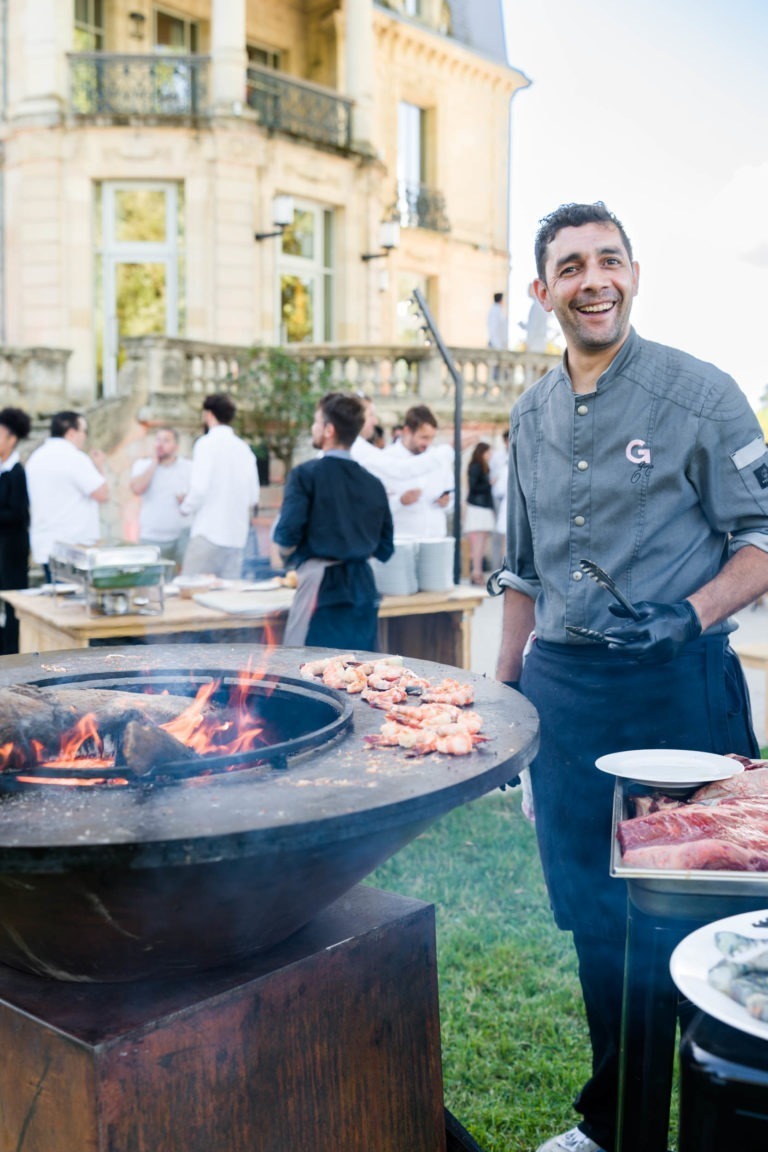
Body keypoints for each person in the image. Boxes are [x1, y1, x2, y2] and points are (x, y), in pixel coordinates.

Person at [492, 201, 768, 1152]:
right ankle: (615, 1123)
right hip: (566, 694)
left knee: (710, 909)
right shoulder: (526, 415)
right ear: (544, 292)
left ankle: (728, 1122)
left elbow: (761, 538)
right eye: (570, 267)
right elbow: (522, 574)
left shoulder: (703, 394)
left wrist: (687, 613)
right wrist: (505, 698)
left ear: (636, 275)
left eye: (608, 261)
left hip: (679, 682)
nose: (593, 280)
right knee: (594, 914)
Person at [273, 391, 393, 650]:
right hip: (364, 586)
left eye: (316, 422)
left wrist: (290, 557)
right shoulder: (374, 484)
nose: (313, 428)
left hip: (321, 586)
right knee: (362, 675)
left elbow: (286, 536)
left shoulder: (305, 475)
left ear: (328, 429)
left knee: (305, 672)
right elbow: (385, 549)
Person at [180, 394, 260, 579]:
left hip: (209, 532)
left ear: (208, 415)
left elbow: (199, 488)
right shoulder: (244, 449)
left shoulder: (206, 444)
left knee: (191, 594)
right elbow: (253, 497)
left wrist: (185, 507)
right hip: (236, 536)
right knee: (227, 599)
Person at [26, 410, 109, 582]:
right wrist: (100, 466)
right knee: (73, 605)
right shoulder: (75, 458)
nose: (85, 437)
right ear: (71, 433)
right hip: (73, 547)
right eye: (84, 431)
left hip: (46, 544)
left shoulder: (36, 457)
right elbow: (102, 493)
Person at [379, 405, 454, 540]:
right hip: (401, 538)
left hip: (435, 538)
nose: (428, 443)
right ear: (407, 431)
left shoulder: (438, 459)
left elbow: (451, 497)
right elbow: (375, 507)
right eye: (424, 437)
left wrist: (447, 502)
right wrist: (400, 501)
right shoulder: (386, 459)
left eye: (432, 438)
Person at [129, 426, 192, 569]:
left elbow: (197, 496)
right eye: (158, 440)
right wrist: (154, 463)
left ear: (176, 446)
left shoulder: (189, 467)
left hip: (181, 536)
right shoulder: (142, 465)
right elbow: (137, 488)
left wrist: (186, 499)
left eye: (166, 441)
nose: (160, 444)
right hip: (151, 536)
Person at [0, 407, 31, 654]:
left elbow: (18, 514)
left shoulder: (17, 472)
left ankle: (11, 655)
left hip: (12, 549)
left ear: (12, 439)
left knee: (12, 603)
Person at [464, 442, 494, 584]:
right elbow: (474, 487)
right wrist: (490, 484)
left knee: (481, 543)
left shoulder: (481, 466)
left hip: (482, 507)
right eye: (488, 453)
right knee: (477, 543)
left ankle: (477, 572)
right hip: (478, 507)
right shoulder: (476, 467)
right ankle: (476, 573)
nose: (490, 456)